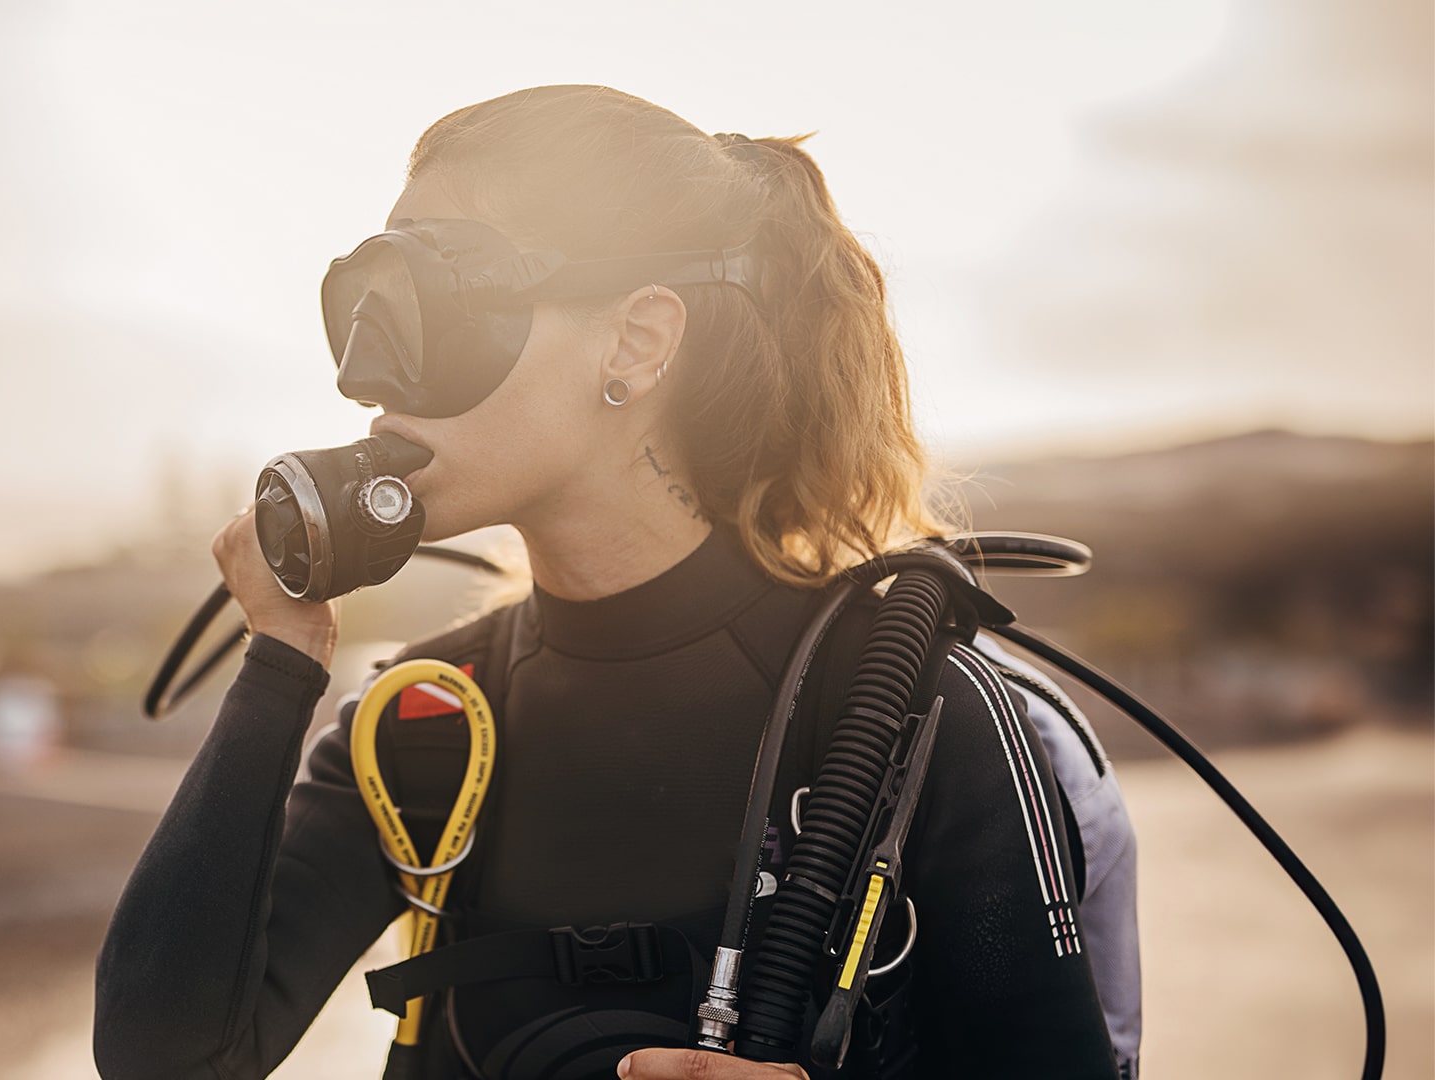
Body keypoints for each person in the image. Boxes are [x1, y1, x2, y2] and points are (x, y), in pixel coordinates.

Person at [95, 85, 1133, 1079]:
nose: (364, 372)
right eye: (366, 299)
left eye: (433, 294)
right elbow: (166, 1057)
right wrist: (278, 665)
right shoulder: (427, 723)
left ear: (637, 341)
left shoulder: (915, 715)